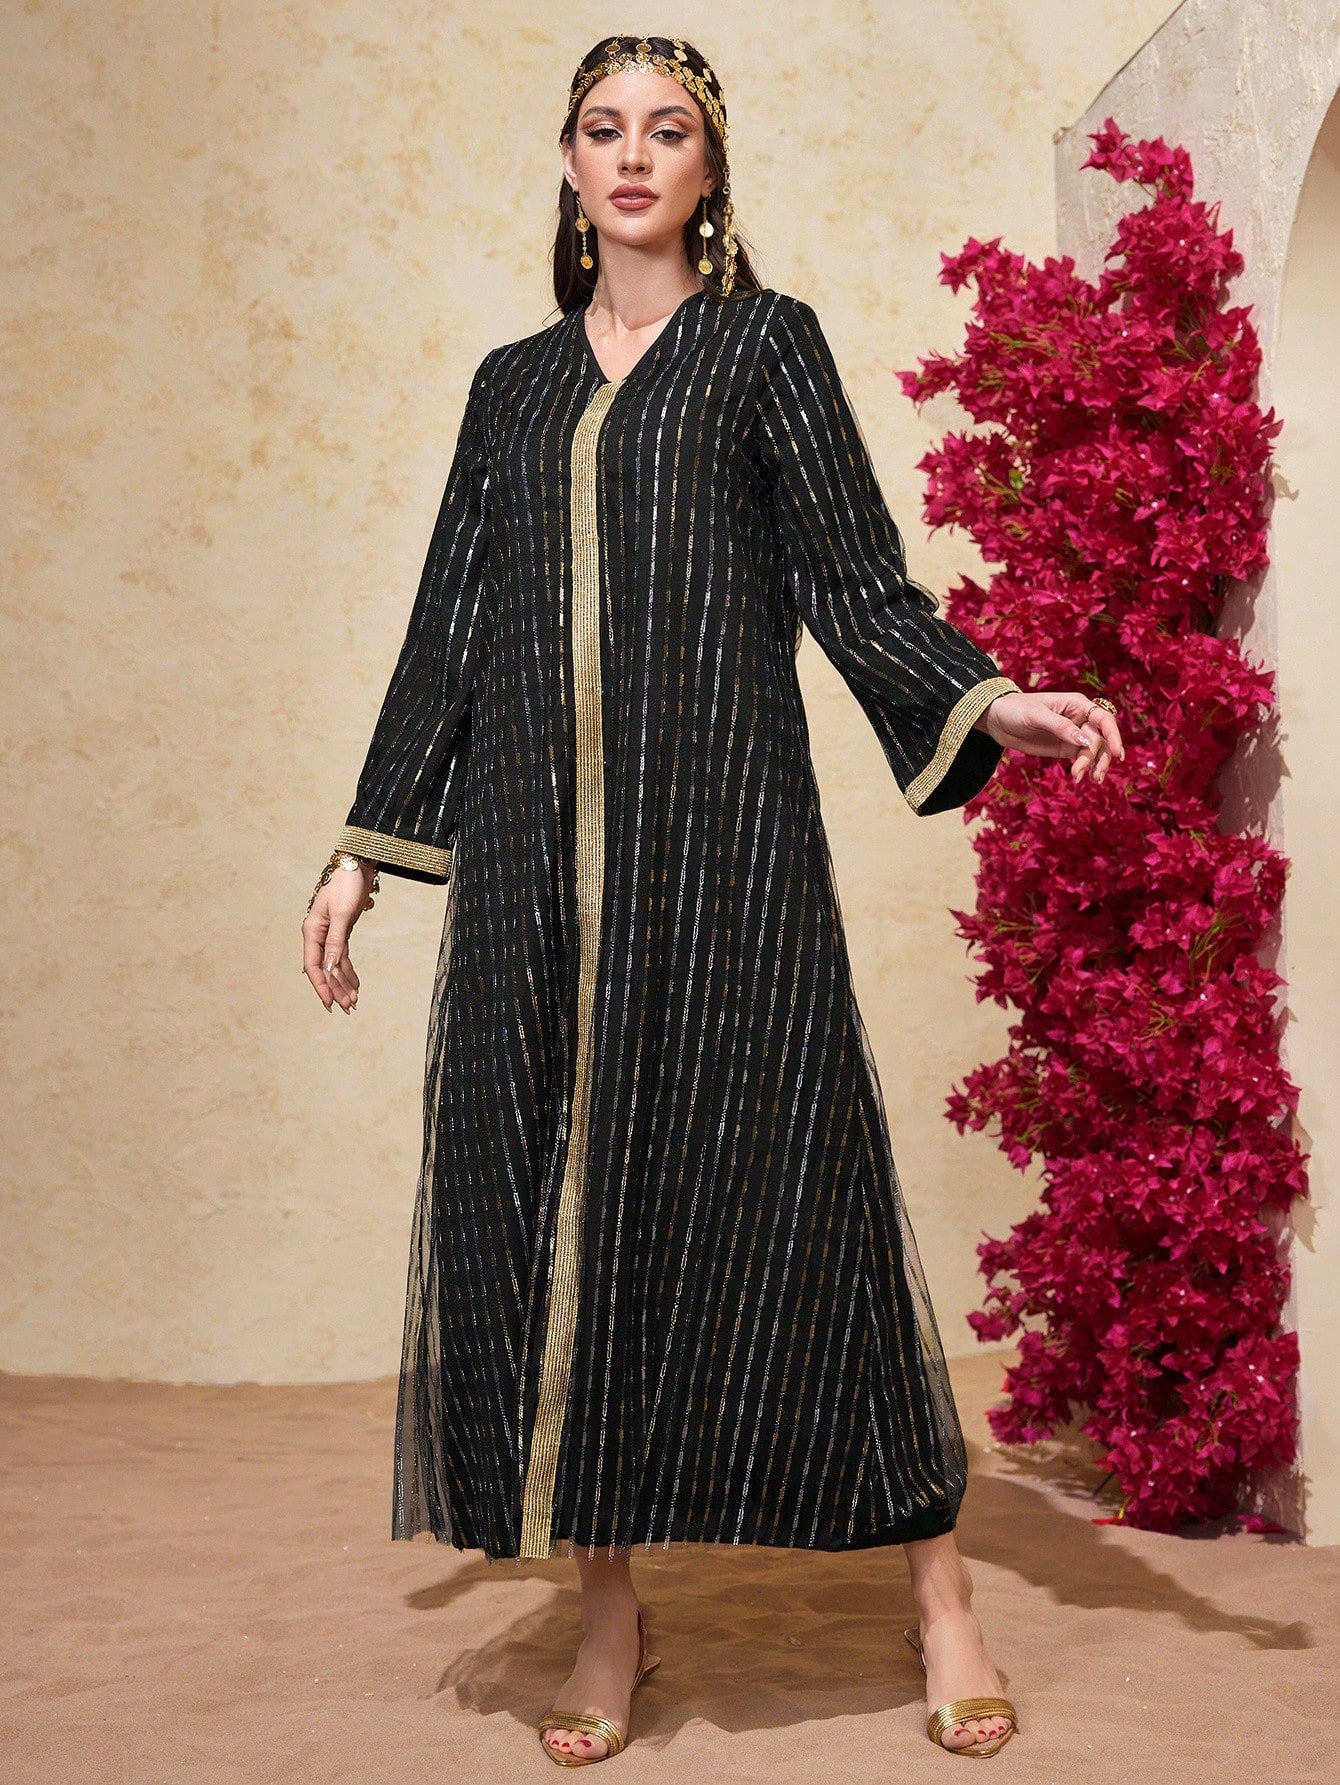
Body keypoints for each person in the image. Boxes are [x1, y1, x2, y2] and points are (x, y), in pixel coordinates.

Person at [301, 33, 1123, 1767]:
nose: (631, 155)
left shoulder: (765, 346)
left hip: (724, 844)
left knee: (806, 1190)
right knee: (554, 1210)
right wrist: (366, 846)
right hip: (531, 863)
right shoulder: (512, 386)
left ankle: (942, 1596)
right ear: (567, 162)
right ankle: (610, 1613)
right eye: (602, 129)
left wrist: (989, 702)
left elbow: (852, 581)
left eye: (665, 130)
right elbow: (453, 623)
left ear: (707, 166)